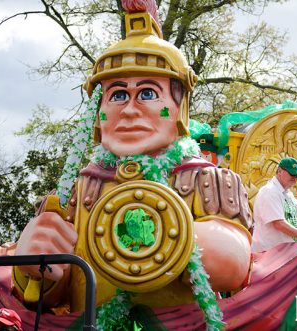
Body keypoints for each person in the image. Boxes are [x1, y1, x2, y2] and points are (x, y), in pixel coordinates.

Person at [13, 0, 252, 311]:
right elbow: (45, 297)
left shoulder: (205, 179)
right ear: (98, 113)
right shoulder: (79, 189)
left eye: (148, 93)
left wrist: (204, 244)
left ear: (179, 108)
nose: (128, 110)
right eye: (118, 95)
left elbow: (233, 270)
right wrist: (34, 264)